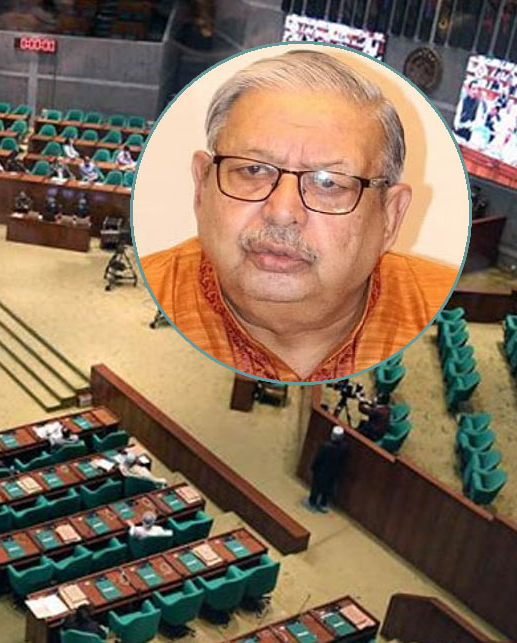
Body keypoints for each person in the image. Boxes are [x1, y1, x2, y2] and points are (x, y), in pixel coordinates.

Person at [138, 50, 457, 381]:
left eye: (328, 183)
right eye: (253, 170)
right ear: (202, 187)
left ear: (390, 217)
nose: (281, 212)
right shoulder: (148, 290)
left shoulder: (438, 300)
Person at [308, 425, 348, 512]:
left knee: (316, 487)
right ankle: (323, 504)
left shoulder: (325, 446)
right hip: (333, 472)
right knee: (327, 489)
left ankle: (312, 502)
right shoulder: (344, 448)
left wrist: (313, 467)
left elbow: (319, 458)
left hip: (321, 471)